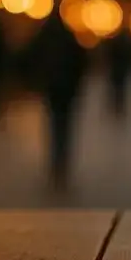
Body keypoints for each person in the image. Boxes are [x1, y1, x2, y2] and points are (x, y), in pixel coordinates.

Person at [39, 14, 88, 189]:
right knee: (64, 128)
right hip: (66, 91)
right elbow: (80, 62)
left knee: (54, 127)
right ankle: (62, 164)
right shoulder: (69, 37)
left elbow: (34, 59)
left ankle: (55, 164)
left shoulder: (45, 37)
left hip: (52, 90)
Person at [107, 31, 130, 118]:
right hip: (120, 71)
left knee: (116, 89)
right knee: (119, 90)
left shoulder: (114, 46)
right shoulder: (124, 47)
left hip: (117, 71)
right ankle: (118, 106)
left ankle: (116, 106)